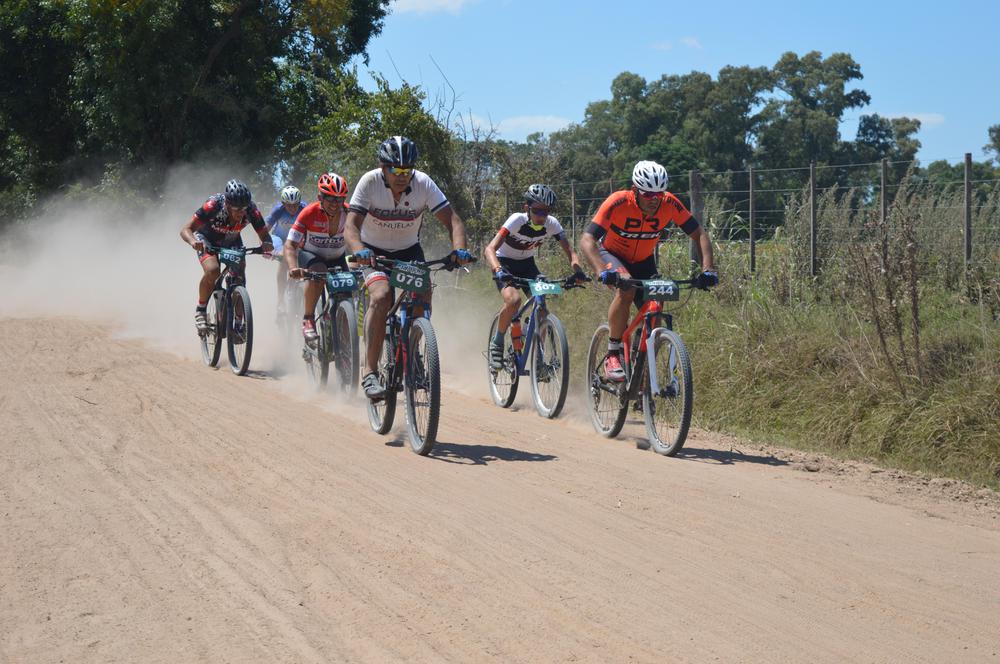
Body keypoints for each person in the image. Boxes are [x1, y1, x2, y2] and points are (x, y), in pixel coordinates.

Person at [344, 135, 472, 400]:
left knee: (424, 292)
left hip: (408, 251)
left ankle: (413, 346)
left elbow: (453, 221)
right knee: (380, 297)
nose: (402, 176)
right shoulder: (369, 182)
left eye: (407, 170)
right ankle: (369, 372)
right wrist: (359, 250)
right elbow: (351, 226)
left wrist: (458, 249)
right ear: (383, 168)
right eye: (395, 170)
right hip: (373, 253)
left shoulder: (423, 183)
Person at [579, 160, 718, 381]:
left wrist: (708, 270)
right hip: (612, 256)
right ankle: (613, 353)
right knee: (626, 289)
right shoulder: (618, 201)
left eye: (659, 195)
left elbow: (699, 234)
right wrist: (601, 270)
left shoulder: (669, 203)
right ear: (635, 190)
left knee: (656, 305)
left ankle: (642, 366)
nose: (655, 201)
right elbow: (587, 240)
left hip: (643, 260)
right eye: (648, 195)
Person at [483, 184, 586, 368]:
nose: (542, 216)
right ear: (527, 208)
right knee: (513, 300)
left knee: (542, 309)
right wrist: (498, 270)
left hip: (528, 265)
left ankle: (537, 356)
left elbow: (570, 252)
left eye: (546, 211)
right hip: (504, 262)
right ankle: (497, 343)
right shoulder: (516, 220)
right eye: (537, 211)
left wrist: (578, 271)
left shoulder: (552, 224)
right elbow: (489, 249)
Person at [179, 179, 273, 333]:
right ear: (227, 204)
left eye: (244, 208)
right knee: (213, 270)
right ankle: (201, 310)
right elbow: (186, 229)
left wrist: (267, 245)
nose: (241, 212)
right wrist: (193, 241)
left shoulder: (251, 209)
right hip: (206, 240)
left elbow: (265, 235)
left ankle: (238, 322)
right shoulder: (213, 205)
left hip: (232, 240)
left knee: (239, 276)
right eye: (237, 209)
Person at [285, 173, 350, 345]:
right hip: (311, 256)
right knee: (319, 271)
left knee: (349, 292)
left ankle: (345, 341)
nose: (335, 204)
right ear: (320, 197)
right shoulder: (308, 213)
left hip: (337, 257)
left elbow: (363, 239)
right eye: (330, 199)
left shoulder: (349, 212)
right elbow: (290, 245)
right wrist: (293, 268)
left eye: (339, 199)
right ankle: (308, 319)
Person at [265, 185, 305, 317]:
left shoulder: (305, 208)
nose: (293, 209)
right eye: (289, 206)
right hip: (279, 238)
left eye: (295, 205)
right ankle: (280, 300)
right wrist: (264, 247)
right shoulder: (278, 210)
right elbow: (264, 231)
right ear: (283, 204)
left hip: (297, 239)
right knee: (283, 260)